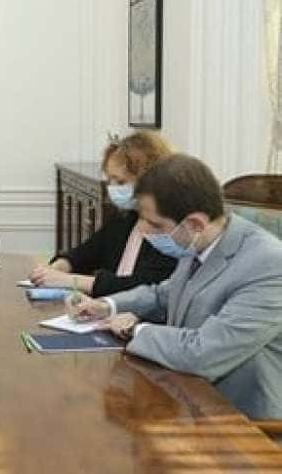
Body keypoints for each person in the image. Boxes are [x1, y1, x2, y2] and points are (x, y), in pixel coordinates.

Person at [67, 154, 282, 420]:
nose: (143, 230)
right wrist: (107, 306)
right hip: (185, 397)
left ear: (195, 224)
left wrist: (134, 330)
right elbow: (164, 295)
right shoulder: (199, 241)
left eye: (155, 224)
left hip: (243, 423)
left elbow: (203, 354)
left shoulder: (270, 265)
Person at [29, 131, 177, 297]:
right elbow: (88, 251)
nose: (112, 188)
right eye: (109, 180)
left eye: (120, 181)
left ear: (148, 179)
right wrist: (59, 267)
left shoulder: (169, 228)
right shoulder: (126, 217)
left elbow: (142, 287)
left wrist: (69, 280)